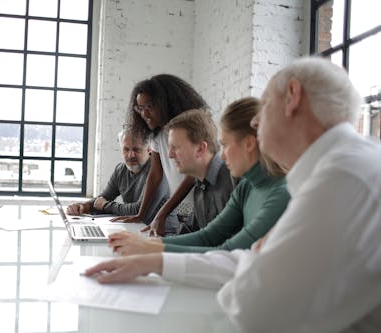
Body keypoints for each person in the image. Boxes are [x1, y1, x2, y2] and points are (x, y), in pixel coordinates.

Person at [84, 57, 381, 332]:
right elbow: (243, 261)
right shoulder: (342, 169)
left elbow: (254, 307)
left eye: (265, 105)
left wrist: (257, 264)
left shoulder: (344, 177)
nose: (255, 122)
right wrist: (153, 261)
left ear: (292, 96)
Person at [109, 97, 289, 255]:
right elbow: (207, 236)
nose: (222, 155)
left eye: (225, 145)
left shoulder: (271, 190)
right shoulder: (245, 186)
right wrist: (149, 244)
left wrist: (150, 248)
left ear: (249, 143)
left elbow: (230, 251)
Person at [115, 74, 213, 236]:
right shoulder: (157, 134)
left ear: (166, 103)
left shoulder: (190, 130)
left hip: (200, 205)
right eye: (140, 108)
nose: (144, 114)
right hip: (181, 209)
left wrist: (162, 214)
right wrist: (141, 214)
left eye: (149, 106)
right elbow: (155, 174)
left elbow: (191, 176)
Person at [66, 129, 166, 223]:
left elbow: (137, 210)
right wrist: (83, 206)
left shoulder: (156, 171)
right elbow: (104, 197)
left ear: (149, 149)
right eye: (126, 149)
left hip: (161, 233)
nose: (130, 155)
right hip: (135, 227)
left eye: (136, 149)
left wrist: (105, 205)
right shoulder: (120, 170)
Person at [166, 108, 234, 232]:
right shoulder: (199, 187)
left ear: (200, 149)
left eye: (175, 147)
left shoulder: (233, 179)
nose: (170, 155)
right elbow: (194, 233)